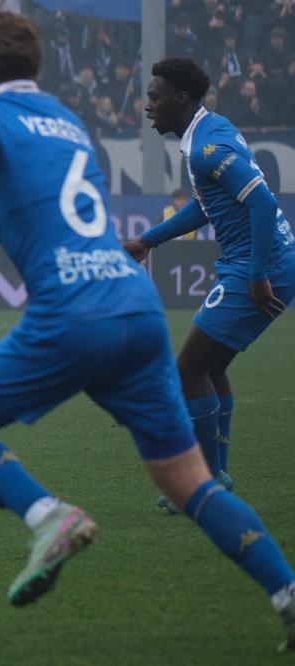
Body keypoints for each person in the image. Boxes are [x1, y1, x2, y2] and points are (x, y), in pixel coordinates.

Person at [0, 12, 295, 650]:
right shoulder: (67, 124)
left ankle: (49, 516)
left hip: (73, 314)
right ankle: (286, 592)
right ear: (39, 67)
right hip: (135, 309)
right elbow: (28, 222)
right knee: (188, 481)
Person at [123, 57, 295, 513]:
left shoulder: (205, 150)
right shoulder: (208, 131)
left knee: (186, 369)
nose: (147, 107)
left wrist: (257, 275)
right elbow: (208, 207)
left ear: (181, 99)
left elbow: (261, 203)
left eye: (154, 98)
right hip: (260, 261)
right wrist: (146, 241)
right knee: (209, 367)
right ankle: (214, 476)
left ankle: (201, 483)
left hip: (260, 266)